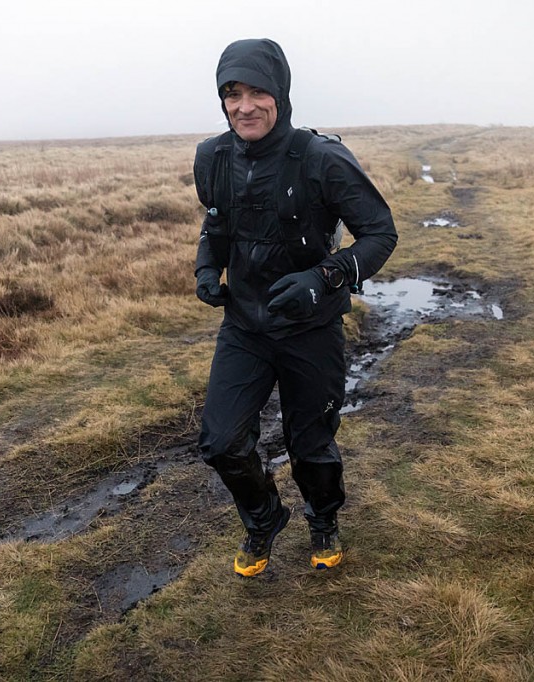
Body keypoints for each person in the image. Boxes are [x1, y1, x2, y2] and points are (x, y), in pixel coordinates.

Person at [192, 38, 397, 577]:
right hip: (246, 326)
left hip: (311, 326)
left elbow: (379, 234)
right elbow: (215, 227)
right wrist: (207, 270)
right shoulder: (212, 157)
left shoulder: (321, 158)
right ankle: (263, 518)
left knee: (311, 443)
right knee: (220, 442)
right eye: (232, 94)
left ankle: (323, 518)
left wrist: (324, 276)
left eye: (258, 90)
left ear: (280, 93)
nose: (245, 105)